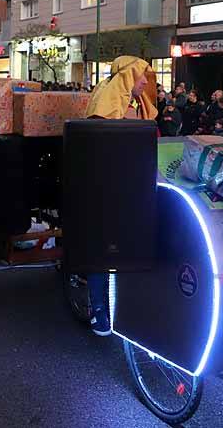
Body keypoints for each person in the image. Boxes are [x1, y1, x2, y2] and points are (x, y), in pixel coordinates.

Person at [84, 56, 158, 337]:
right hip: (106, 187)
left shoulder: (137, 104)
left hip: (134, 185)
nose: (145, 82)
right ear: (128, 76)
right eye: (141, 76)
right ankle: (99, 308)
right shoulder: (106, 103)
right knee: (103, 249)